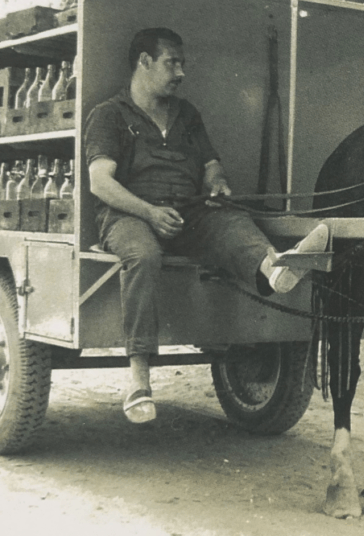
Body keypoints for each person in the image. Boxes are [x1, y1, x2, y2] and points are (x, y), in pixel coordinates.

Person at [84, 27, 328, 424]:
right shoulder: (109, 114)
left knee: (232, 220)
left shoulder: (186, 114)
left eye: (182, 63)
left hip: (188, 210)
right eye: (171, 62)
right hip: (128, 215)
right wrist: (148, 212)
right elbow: (101, 182)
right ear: (144, 62)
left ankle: (274, 269)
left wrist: (217, 184)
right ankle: (138, 380)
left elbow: (211, 164)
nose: (180, 72)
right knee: (143, 255)